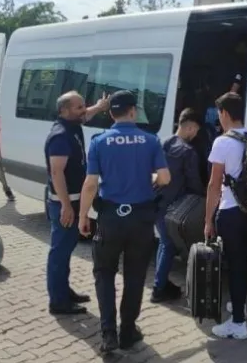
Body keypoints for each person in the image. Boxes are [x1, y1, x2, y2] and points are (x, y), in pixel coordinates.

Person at [78, 90, 171, 353]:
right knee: (135, 275)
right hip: (141, 219)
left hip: (110, 218)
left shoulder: (99, 141)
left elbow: (90, 184)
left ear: (110, 113)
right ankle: (128, 331)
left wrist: (83, 216)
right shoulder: (151, 141)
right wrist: (149, 181)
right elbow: (164, 178)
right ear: (133, 111)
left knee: (104, 273)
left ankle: (109, 335)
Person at [44, 91, 109, 316]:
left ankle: (63, 290)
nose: (84, 110)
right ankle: (58, 302)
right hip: (65, 202)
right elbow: (56, 172)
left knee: (67, 248)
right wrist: (66, 206)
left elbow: (86, 116)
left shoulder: (71, 123)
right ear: (64, 111)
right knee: (60, 252)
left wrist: (99, 107)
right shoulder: (60, 135)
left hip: (73, 200)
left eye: (83, 106)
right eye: (78, 107)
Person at [204, 92, 247, 340]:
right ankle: (240, 306)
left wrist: (207, 220)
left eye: (219, 114)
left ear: (224, 113)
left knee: (234, 267)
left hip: (231, 211)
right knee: (242, 263)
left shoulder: (222, 142)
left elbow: (214, 185)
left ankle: (238, 324)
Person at [151, 108, 205, 303]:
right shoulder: (188, 152)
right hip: (174, 206)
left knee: (164, 242)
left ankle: (161, 281)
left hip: (155, 201)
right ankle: (158, 289)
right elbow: (193, 182)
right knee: (168, 244)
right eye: (196, 130)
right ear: (189, 127)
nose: (196, 134)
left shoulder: (162, 143)